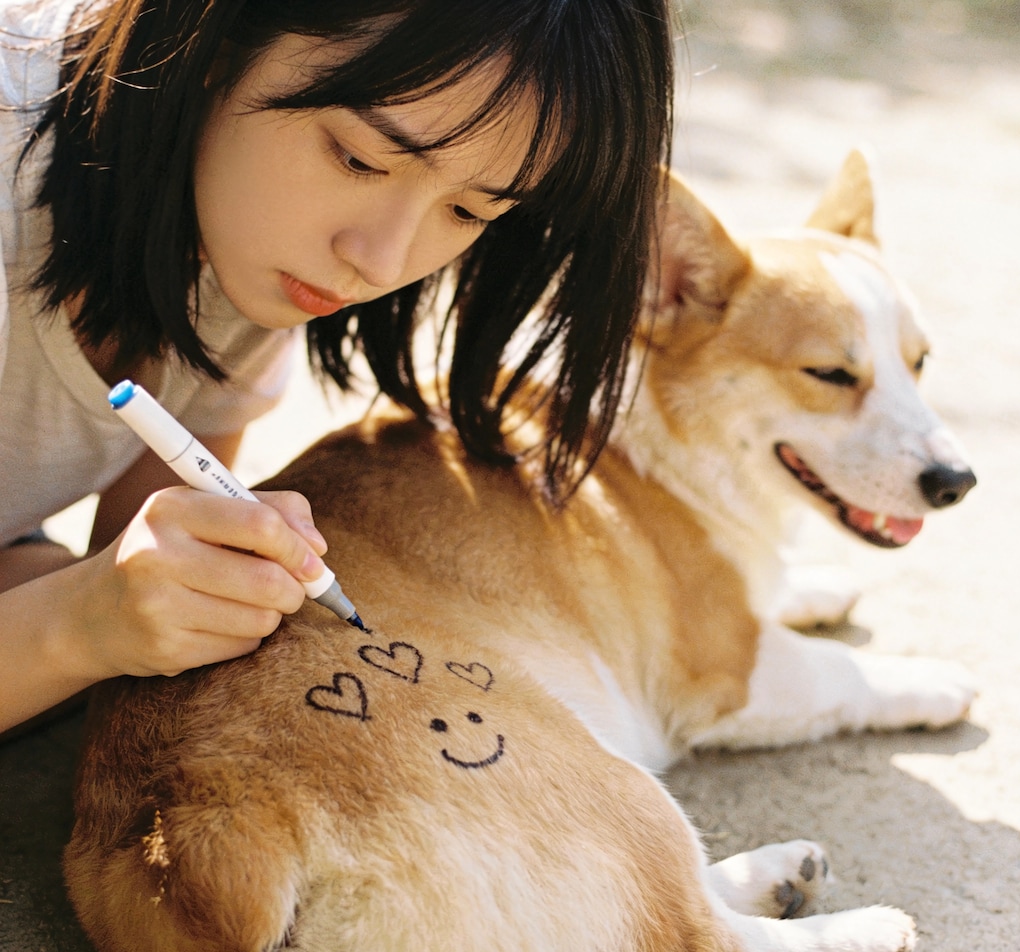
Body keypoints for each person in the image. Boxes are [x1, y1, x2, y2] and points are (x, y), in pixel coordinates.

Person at [0, 0, 675, 734]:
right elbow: (94, 614)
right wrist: (77, 624)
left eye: (469, 212)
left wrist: (158, 588)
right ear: (214, 42)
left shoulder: (244, 244)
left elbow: (129, 555)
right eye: (359, 159)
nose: (382, 261)